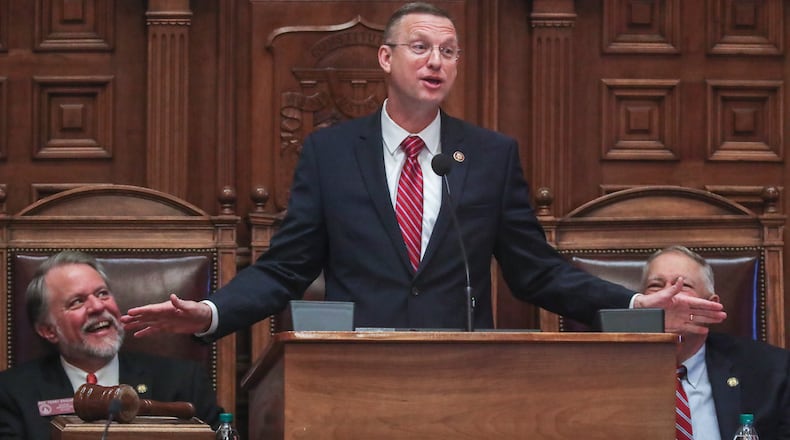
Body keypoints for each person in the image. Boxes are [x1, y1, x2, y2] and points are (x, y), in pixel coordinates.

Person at [121, 2, 724, 342]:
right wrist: (213, 311)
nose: (436, 61)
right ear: (386, 58)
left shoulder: (489, 155)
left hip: (463, 369)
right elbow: (287, 268)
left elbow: (535, 273)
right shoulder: (330, 154)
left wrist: (635, 304)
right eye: (420, 47)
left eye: (449, 51)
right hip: (358, 371)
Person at [0, 251, 222, 439]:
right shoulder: (12, 393)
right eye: (76, 302)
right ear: (48, 330)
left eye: (102, 293)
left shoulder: (183, 382)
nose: (97, 306)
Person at [641, 246, 790, 439]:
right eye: (655, 286)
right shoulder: (611, 372)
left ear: (711, 305)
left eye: (684, 286)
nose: (667, 297)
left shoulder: (771, 370)